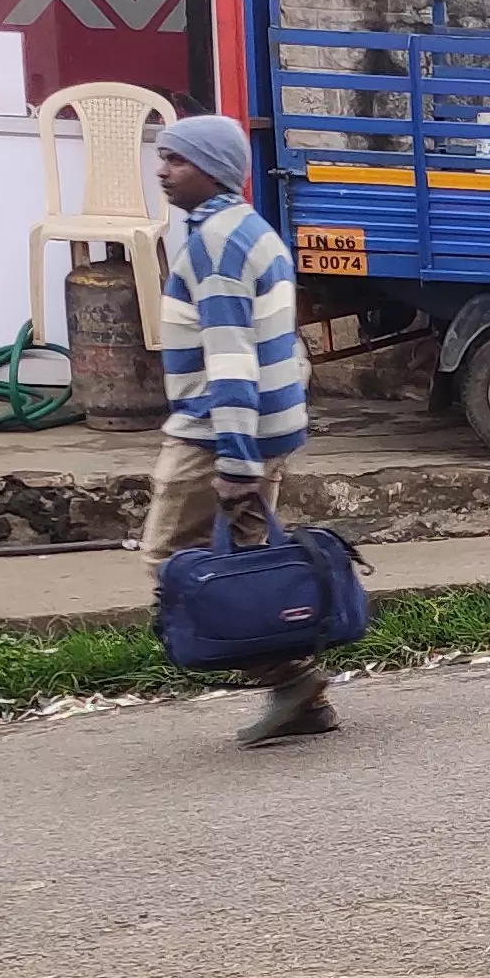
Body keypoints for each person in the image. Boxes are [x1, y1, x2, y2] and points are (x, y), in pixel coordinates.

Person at [144, 115, 328, 747]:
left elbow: (231, 358)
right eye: (163, 157)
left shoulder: (215, 247)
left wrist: (235, 458)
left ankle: (291, 678)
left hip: (215, 435)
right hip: (259, 428)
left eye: (178, 161)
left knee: (176, 563)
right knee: (246, 559)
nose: (162, 170)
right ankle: (293, 681)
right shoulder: (249, 230)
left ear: (215, 170)